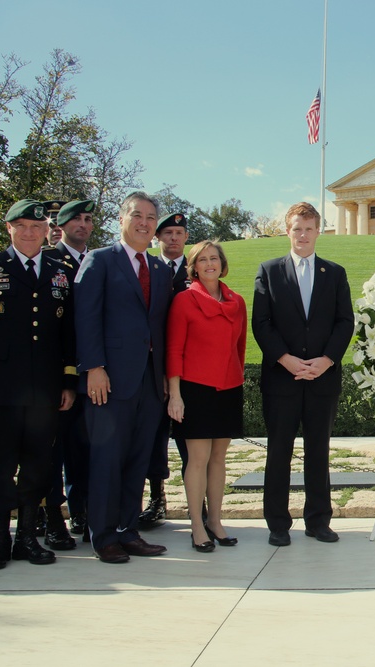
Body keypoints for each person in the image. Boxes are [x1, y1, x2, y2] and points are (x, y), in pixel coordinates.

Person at [75, 191, 172, 564]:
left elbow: (159, 326)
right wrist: (94, 368)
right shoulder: (99, 261)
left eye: (150, 217)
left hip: (149, 383)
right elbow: (85, 317)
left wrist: (163, 376)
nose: (144, 222)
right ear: (121, 219)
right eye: (137, 215)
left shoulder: (160, 269)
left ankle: (128, 532)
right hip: (109, 381)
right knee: (106, 460)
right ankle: (103, 536)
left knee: (137, 460)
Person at [0, 199, 77, 570]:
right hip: (0, 389)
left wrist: (69, 381)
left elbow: (68, 332)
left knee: (39, 466)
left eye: (36, 227)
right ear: (9, 229)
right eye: (21, 226)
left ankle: (27, 538)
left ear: (45, 231)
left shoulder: (59, 270)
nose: (29, 233)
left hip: (45, 390)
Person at [253, 202, 354, 547]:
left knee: (318, 451)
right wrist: (285, 359)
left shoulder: (335, 274)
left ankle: (318, 520)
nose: (303, 235)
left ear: (318, 231)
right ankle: (278, 523)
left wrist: (327, 360)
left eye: (309, 228)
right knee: (278, 451)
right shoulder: (269, 271)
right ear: (287, 230)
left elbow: (345, 322)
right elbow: (261, 323)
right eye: (297, 228)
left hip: (322, 378)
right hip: (283, 379)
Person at [167, 240, 246, 552]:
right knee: (197, 460)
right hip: (194, 389)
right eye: (203, 260)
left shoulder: (237, 301)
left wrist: (236, 381)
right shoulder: (184, 301)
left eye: (214, 258)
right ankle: (197, 526)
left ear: (221, 263)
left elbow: (239, 348)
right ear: (194, 267)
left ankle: (215, 520)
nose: (210, 264)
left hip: (228, 389)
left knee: (218, 459)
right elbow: (174, 351)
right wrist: (175, 395)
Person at [41, 199, 96, 548]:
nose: (83, 224)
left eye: (88, 219)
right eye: (75, 219)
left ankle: (83, 512)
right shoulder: (46, 264)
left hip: (92, 375)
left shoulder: (99, 260)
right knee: (51, 451)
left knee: (85, 448)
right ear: (60, 225)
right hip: (55, 377)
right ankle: (51, 518)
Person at [139, 212, 192, 529]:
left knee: (191, 441)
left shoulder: (197, 268)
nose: (174, 238)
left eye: (179, 232)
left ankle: (196, 502)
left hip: (188, 370)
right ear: (158, 238)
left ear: (186, 237)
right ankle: (157, 499)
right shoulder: (148, 270)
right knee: (152, 439)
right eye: (168, 233)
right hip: (153, 369)